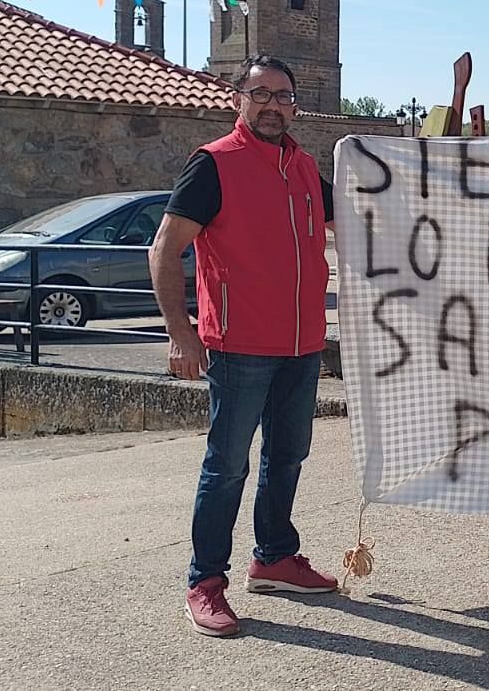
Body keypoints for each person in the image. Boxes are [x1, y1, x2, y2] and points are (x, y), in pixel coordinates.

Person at [149, 55, 339, 637]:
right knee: (226, 467)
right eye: (261, 94)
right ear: (239, 100)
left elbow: (369, 214)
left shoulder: (305, 167)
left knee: (288, 456)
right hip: (237, 345)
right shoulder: (213, 164)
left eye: (284, 96)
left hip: (302, 343)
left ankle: (274, 557)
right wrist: (180, 332)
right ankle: (205, 582)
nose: (274, 105)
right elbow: (164, 248)